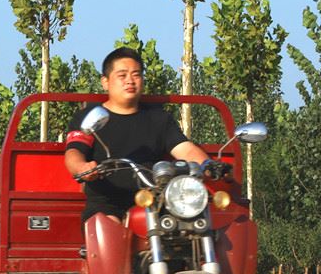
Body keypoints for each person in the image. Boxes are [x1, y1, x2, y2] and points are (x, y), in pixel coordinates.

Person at [63, 47, 224, 222]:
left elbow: (185, 150)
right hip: (107, 202)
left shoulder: (159, 118)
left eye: (136, 74)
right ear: (105, 82)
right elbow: (74, 152)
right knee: (110, 234)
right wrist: (81, 168)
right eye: (122, 75)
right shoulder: (90, 117)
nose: (130, 81)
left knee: (190, 229)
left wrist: (209, 165)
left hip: (154, 200)